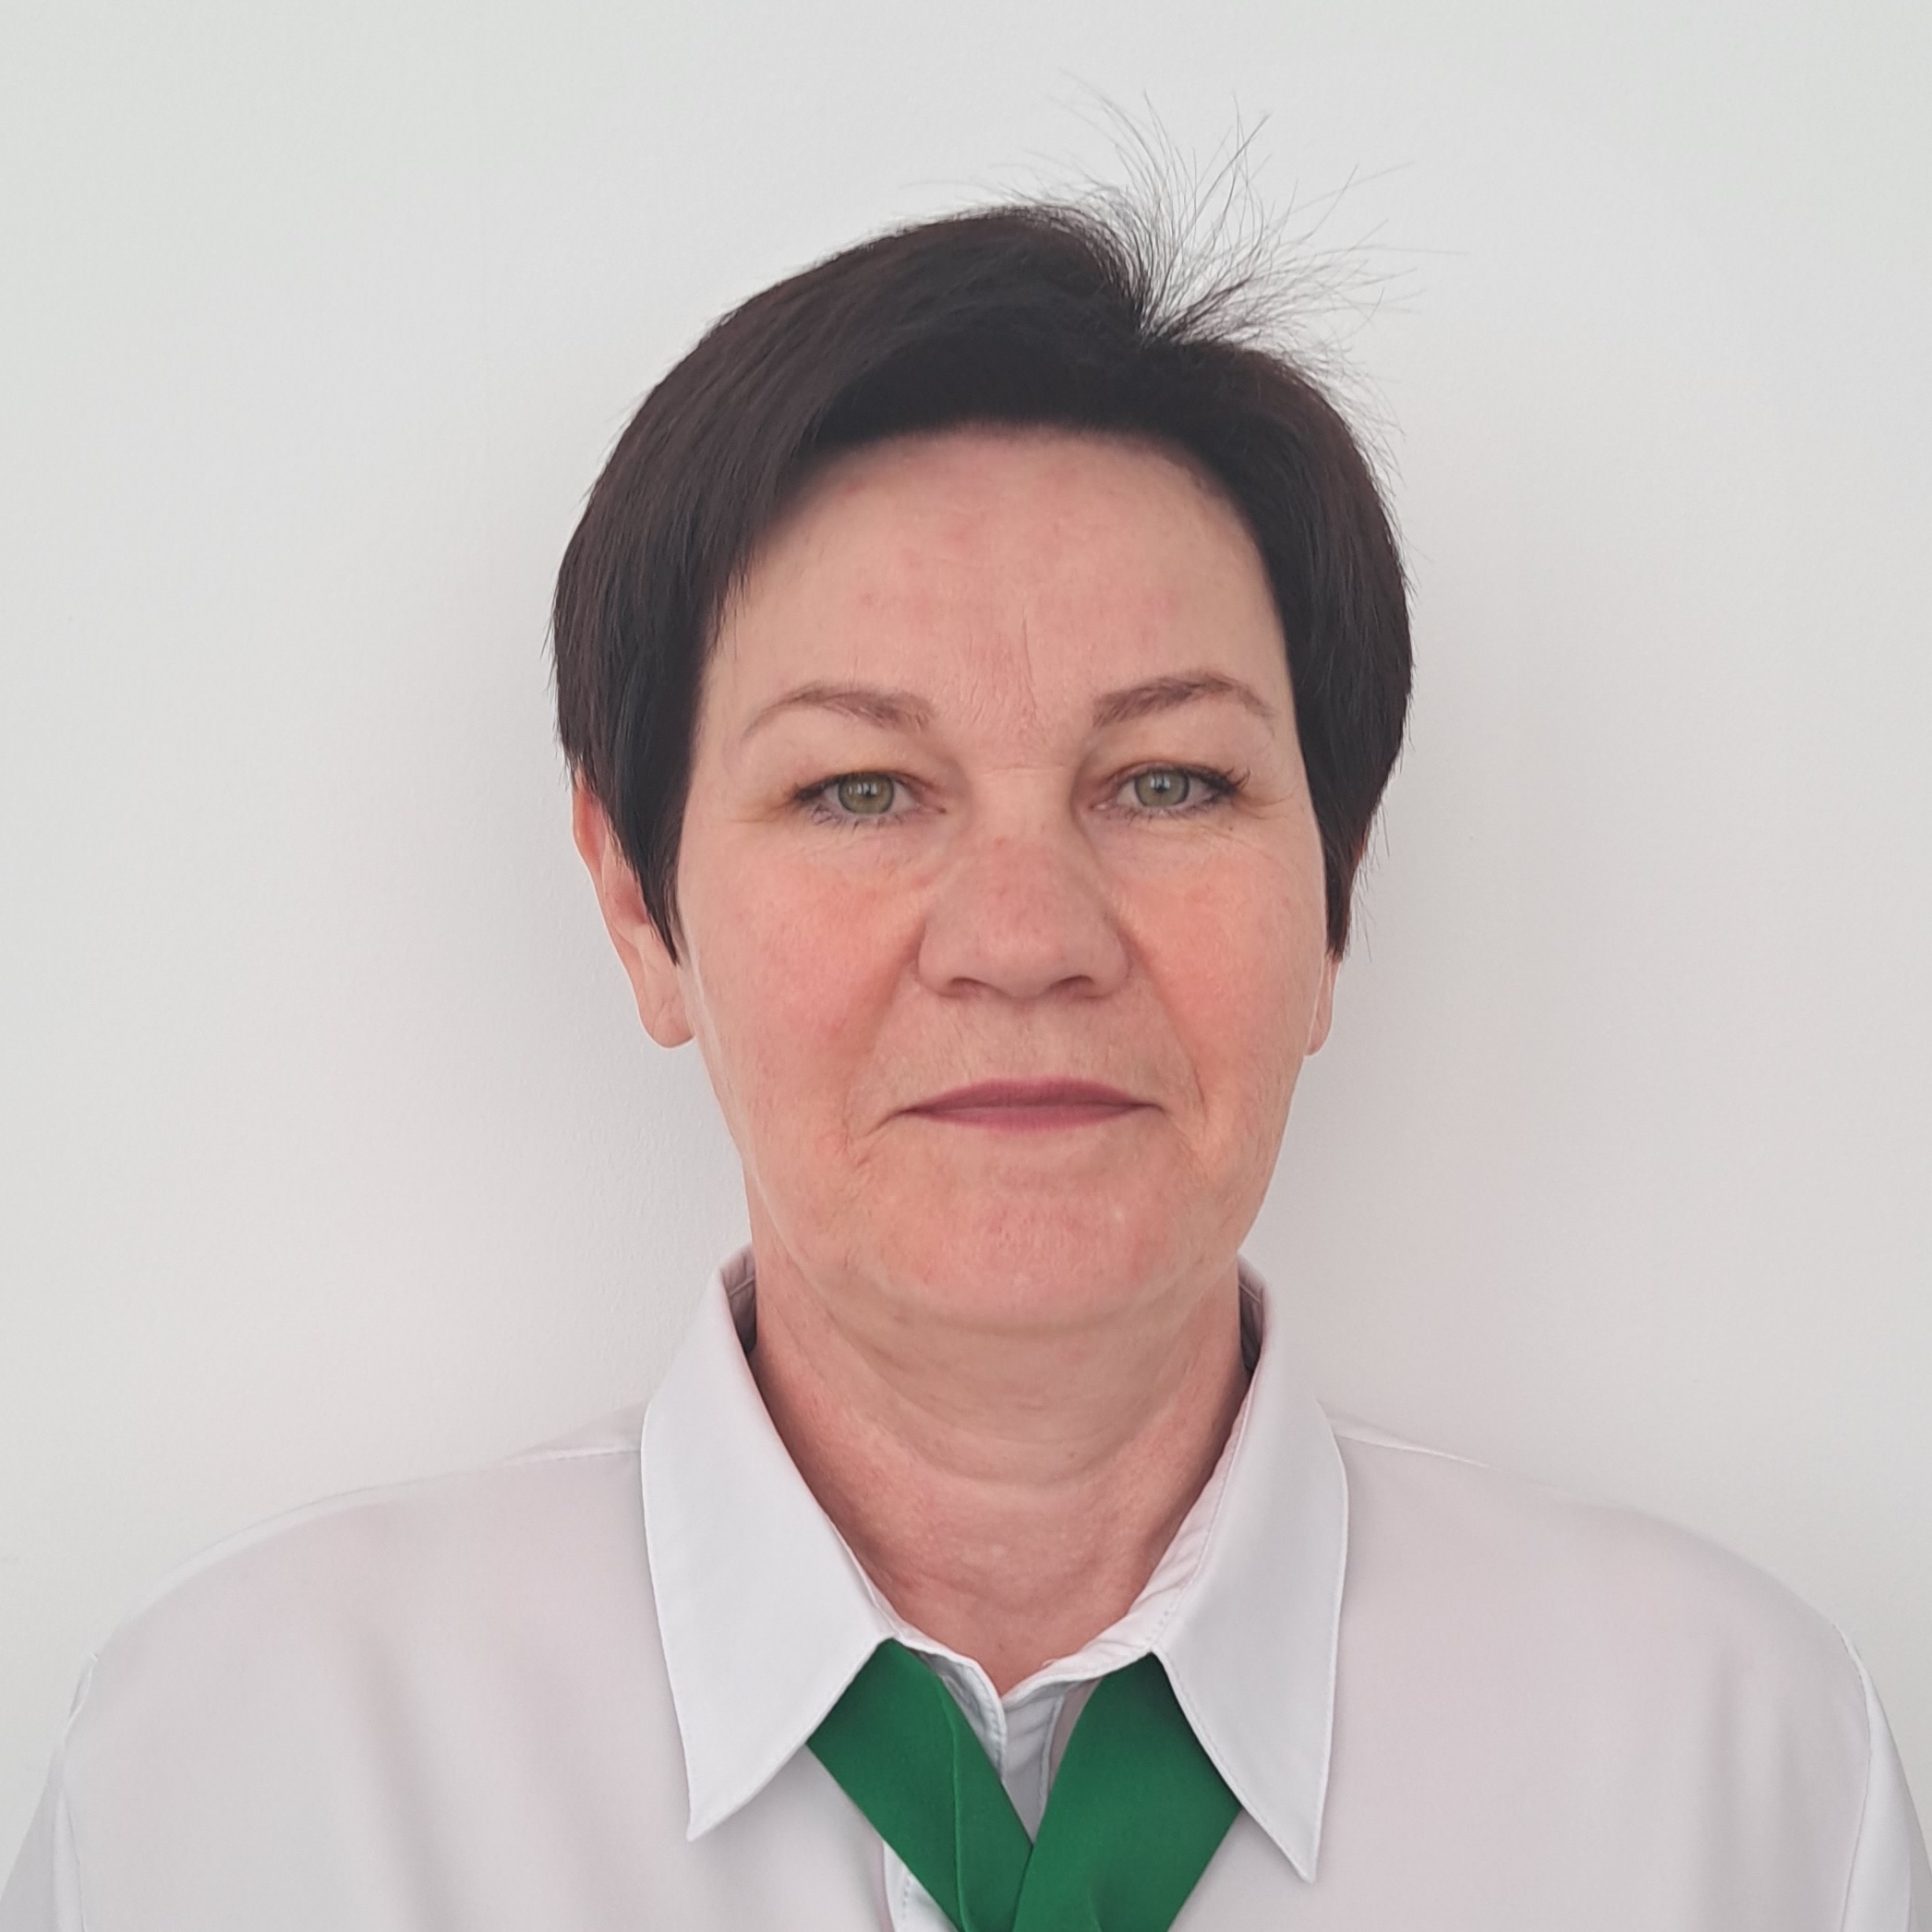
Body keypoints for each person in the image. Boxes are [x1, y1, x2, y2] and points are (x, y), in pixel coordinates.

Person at [4, 193, 1926, 1932]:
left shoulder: (1735, 1771)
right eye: (860, 788)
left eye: (1167, 781)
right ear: (637, 902)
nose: (1023, 936)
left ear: (1335, 890)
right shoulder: (238, 1769)